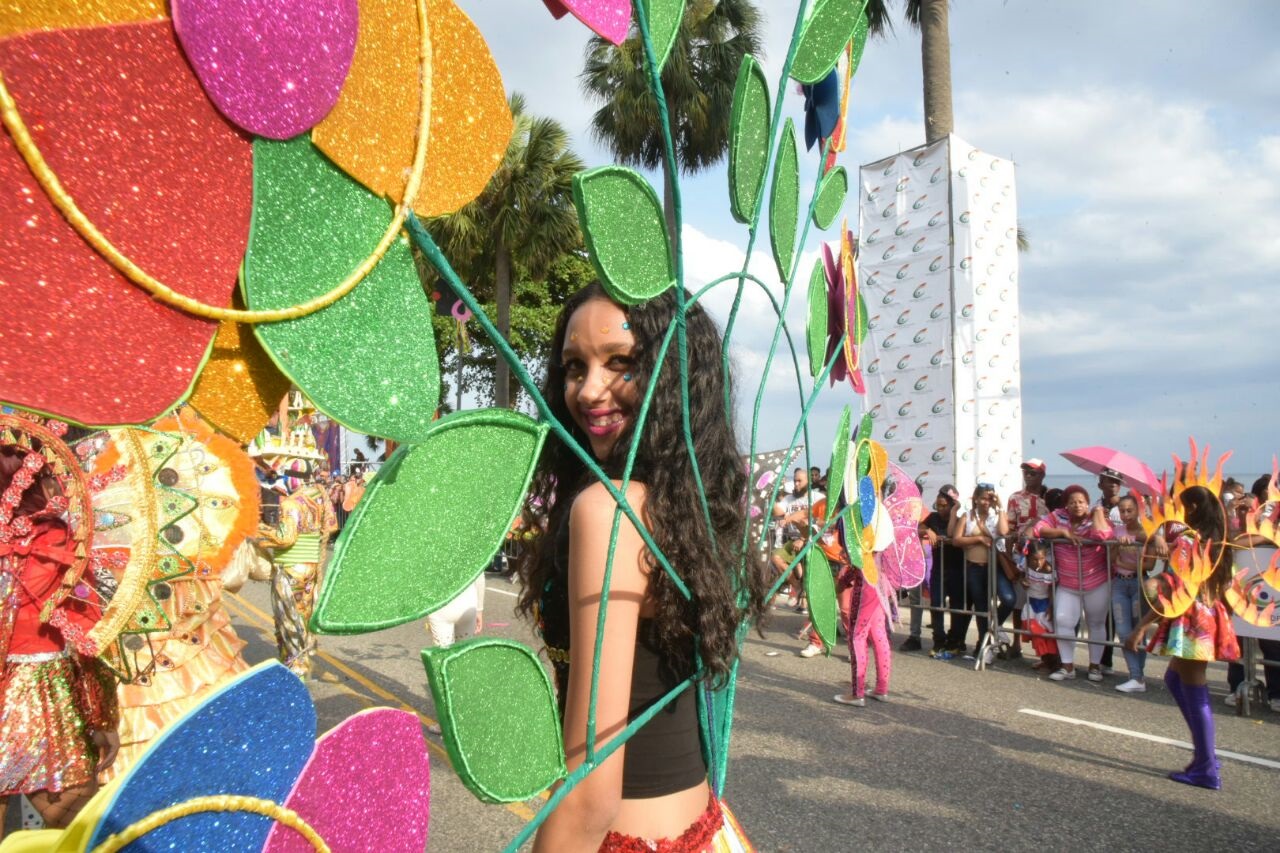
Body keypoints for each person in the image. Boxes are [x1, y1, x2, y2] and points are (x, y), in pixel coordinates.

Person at [517, 282, 766, 850]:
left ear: (674, 378)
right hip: (708, 831)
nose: (589, 390)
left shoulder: (609, 511)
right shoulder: (693, 508)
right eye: (574, 367)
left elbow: (589, 794)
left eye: (621, 363)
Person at [0, 438, 119, 833]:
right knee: (77, 833)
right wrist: (102, 716)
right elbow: (87, 632)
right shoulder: (59, 540)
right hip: (39, 700)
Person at [1125, 485, 1240, 789]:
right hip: (1208, 615)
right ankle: (1205, 754)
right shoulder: (1218, 540)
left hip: (1192, 619)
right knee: (1176, 680)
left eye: (1179, 504)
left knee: (1195, 689)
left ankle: (1206, 766)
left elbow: (1173, 588)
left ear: (1190, 508)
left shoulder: (1189, 541)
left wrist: (1140, 627)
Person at [258, 461, 338, 680]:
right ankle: (300, 663)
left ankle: (295, 671)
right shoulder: (318, 499)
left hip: (291, 569)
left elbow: (286, 538)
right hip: (309, 568)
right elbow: (331, 526)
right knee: (302, 617)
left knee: (288, 620)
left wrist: (260, 531)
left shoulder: (291, 504)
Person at [1033, 485, 1114, 681]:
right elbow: (1038, 530)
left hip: (1096, 582)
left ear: (1087, 503)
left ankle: (1095, 666)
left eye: (1081, 502)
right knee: (1062, 621)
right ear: (1066, 505)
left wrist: (1096, 514)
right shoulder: (1057, 516)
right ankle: (1068, 667)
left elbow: (1103, 536)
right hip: (1068, 584)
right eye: (1072, 502)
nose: (1077, 505)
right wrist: (1063, 534)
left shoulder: (1096, 515)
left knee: (1096, 623)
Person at [947, 484, 1010, 660]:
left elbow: (1004, 532)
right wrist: (979, 539)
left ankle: (996, 628)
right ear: (975, 498)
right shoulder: (968, 516)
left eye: (989, 498)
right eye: (983, 498)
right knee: (981, 608)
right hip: (974, 568)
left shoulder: (997, 515)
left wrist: (1001, 506)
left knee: (1008, 598)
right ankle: (984, 646)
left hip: (995, 567)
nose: (986, 502)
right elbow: (956, 540)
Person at [834, 553, 892, 707]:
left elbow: (860, 556)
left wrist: (843, 580)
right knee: (879, 636)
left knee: (857, 637)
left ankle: (857, 693)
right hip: (881, 584)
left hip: (865, 587)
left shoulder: (866, 532)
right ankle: (881, 689)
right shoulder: (885, 533)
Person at [911, 485, 963, 658]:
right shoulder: (932, 518)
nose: (940, 509)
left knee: (956, 607)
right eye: (938, 505)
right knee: (936, 605)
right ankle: (938, 641)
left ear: (953, 504)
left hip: (957, 569)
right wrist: (927, 530)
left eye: (944, 506)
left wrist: (955, 513)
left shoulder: (960, 518)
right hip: (938, 570)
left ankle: (955, 642)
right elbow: (916, 529)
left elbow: (955, 535)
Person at [1111, 495, 1150, 693]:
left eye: (1129, 510)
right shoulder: (1117, 531)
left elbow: (1150, 564)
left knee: (1139, 630)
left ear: (1138, 511)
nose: (1125, 515)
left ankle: (1138, 676)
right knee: (1123, 630)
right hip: (1119, 583)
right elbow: (1111, 559)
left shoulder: (1148, 532)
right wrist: (1118, 545)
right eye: (1122, 510)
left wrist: (1124, 560)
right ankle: (1135, 675)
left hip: (1139, 582)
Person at [1019, 540, 1060, 672]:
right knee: (1032, 629)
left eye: (1041, 559)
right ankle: (1044, 659)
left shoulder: (1048, 569)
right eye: (1035, 559)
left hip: (1044, 604)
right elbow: (1021, 576)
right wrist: (1023, 581)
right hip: (1031, 601)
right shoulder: (1024, 564)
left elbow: (1051, 590)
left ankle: (1053, 661)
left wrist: (1050, 606)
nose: (1038, 563)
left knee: (1045, 632)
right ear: (1028, 557)